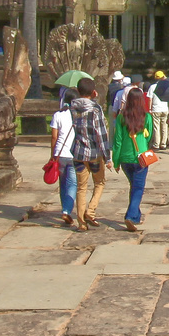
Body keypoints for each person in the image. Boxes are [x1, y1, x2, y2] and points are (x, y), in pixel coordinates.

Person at [111, 84, 156, 232]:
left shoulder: (121, 117)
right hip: (141, 157)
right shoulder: (146, 117)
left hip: (125, 158)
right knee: (138, 188)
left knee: (134, 186)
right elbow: (149, 134)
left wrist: (115, 161)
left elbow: (117, 141)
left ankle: (136, 215)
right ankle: (130, 216)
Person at [68, 78, 110, 232]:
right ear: (93, 92)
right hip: (94, 153)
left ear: (78, 91)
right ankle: (90, 211)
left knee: (81, 187)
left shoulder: (72, 107)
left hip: (78, 152)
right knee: (99, 182)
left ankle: (81, 223)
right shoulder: (95, 109)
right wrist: (108, 156)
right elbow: (101, 134)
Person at [49, 91, 78, 229]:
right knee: (72, 184)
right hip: (73, 154)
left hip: (59, 153)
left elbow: (54, 137)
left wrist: (52, 154)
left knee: (63, 183)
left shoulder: (58, 115)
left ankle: (64, 208)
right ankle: (66, 210)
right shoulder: (78, 116)